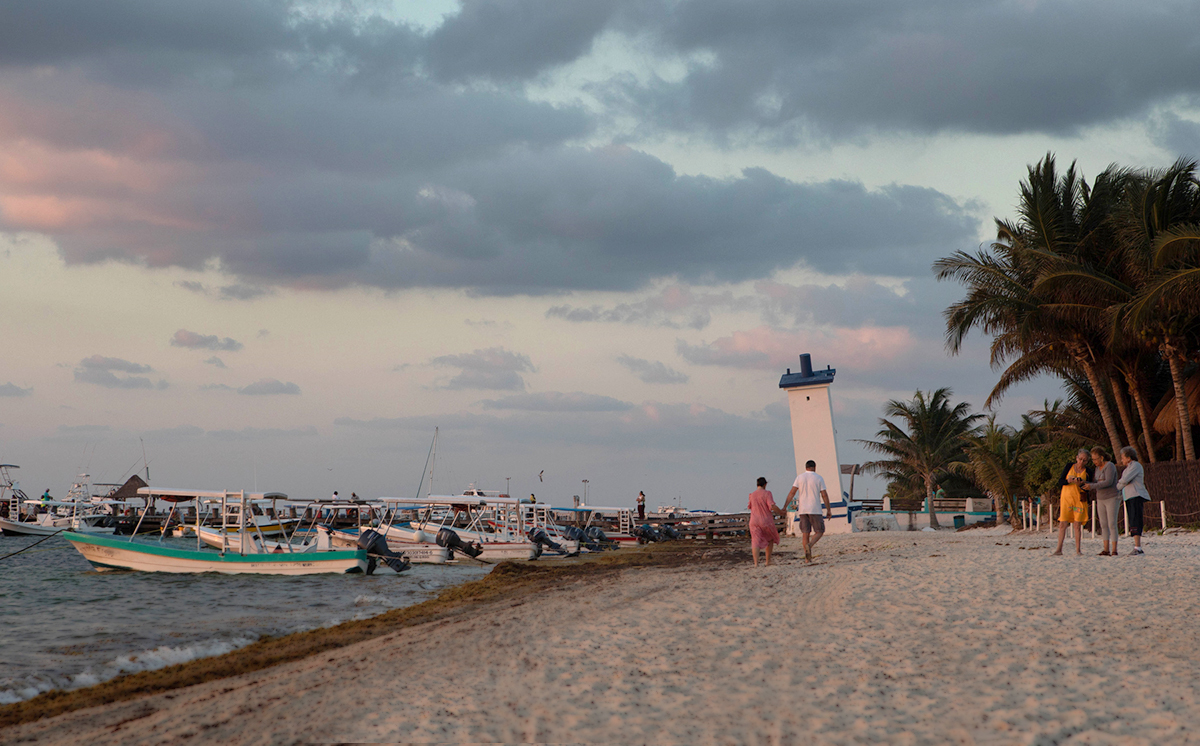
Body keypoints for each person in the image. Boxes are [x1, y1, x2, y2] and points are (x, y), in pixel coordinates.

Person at [784, 460, 832, 563]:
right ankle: (809, 545)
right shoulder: (818, 478)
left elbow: (792, 492)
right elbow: (824, 495)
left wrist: (785, 506)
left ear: (806, 467)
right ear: (815, 467)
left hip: (802, 509)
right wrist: (828, 509)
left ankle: (807, 558)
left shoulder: (800, 477)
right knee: (819, 531)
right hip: (815, 509)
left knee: (805, 533)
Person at [1053, 449, 1092, 556]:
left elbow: (1089, 487)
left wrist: (1081, 484)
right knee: (1063, 524)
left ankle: (1078, 550)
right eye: (1080, 459)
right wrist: (1068, 481)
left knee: (1077, 525)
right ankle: (1059, 549)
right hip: (1066, 499)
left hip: (1079, 500)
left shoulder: (1088, 471)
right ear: (1076, 458)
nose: (1081, 462)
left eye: (1084, 460)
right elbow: (1060, 481)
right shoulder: (1069, 466)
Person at [1084, 447, 1120, 556]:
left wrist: (1092, 486)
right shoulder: (1097, 469)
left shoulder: (1110, 466)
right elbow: (1096, 481)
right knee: (1103, 524)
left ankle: (1114, 549)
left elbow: (1108, 482)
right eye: (1093, 459)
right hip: (1100, 498)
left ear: (1101, 457)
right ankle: (1106, 548)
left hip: (1112, 497)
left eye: (1095, 459)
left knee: (1112, 523)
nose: (1094, 462)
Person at [1116, 446, 1151, 555]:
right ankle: (1136, 546)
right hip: (1129, 496)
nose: (1121, 460)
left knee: (1136, 519)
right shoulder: (1127, 468)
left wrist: (1118, 485)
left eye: (1123, 457)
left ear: (1128, 457)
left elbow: (1125, 480)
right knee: (1132, 520)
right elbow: (1123, 481)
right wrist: (1120, 484)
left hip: (1135, 495)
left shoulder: (1135, 466)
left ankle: (1138, 547)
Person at [747, 477, 785, 567]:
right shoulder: (767, 493)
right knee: (770, 538)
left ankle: (756, 563)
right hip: (765, 520)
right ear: (765, 484)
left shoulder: (752, 495)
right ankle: (768, 561)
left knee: (755, 541)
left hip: (753, 520)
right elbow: (772, 506)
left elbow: (750, 506)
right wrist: (781, 512)